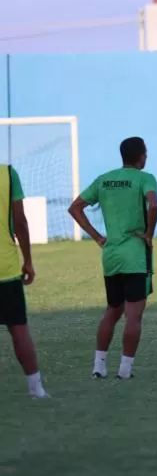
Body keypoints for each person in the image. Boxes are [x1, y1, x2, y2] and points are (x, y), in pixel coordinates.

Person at [68, 136, 157, 380]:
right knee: (134, 315)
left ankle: (99, 366)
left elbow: (75, 207)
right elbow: (153, 205)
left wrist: (98, 237)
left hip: (111, 255)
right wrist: (149, 234)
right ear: (141, 156)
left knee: (112, 311)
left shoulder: (104, 179)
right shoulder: (145, 178)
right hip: (136, 255)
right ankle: (125, 370)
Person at [0, 162, 49, 398]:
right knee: (19, 329)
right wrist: (28, 260)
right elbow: (20, 221)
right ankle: (36, 389)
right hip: (6, 267)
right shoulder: (8, 174)